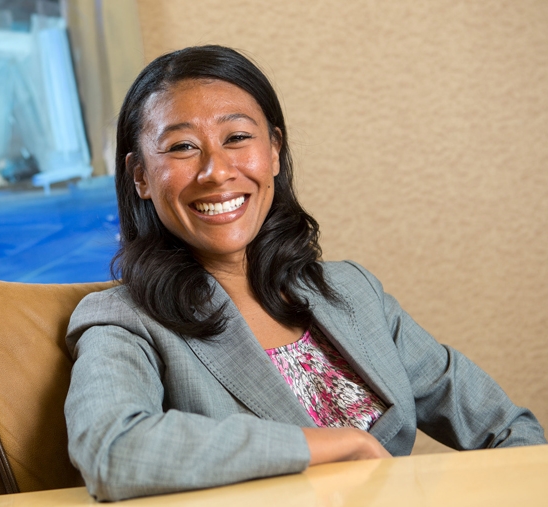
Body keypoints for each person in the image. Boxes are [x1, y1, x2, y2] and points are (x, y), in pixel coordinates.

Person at [64, 45, 546, 501]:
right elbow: (112, 450)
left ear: (274, 150)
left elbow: (506, 429)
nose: (216, 171)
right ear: (141, 176)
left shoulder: (352, 290)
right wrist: (331, 445)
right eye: (182, 146)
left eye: (237, 138)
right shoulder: (123, 319)